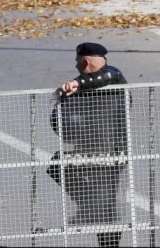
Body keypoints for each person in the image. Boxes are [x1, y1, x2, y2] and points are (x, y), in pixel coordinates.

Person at [48, 42, 128, 248]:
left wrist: (77, 83)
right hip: (87, 149)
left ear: (85, 61)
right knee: (57, 165)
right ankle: (89, 207)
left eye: (77, 62)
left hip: (110, 153)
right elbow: (63, 126)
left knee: (106, 204)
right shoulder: (83, 87)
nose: (75, 66)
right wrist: (62, 104)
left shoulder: (114, 77)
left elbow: (105, 76)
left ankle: (106, 240)